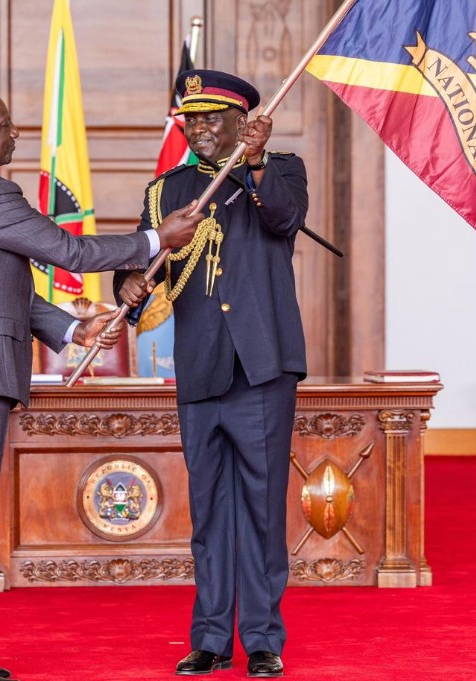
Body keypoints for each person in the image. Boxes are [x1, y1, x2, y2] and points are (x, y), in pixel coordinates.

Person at [0, 87, 202, 681]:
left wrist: (70, 327)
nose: (15, 135)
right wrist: (154, 241)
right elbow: (68, 249)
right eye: (4, 126)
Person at [114, 70, 308, 678]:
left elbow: (282, 218)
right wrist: (131, 287)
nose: (196, 129)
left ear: (243, 121)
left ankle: (262, 639)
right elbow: (151, 279)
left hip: (262, 367)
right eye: (189, 120)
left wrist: (253, 162)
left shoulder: (279, 171)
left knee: (260, 509)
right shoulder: (165, 191)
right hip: (199, 369)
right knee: (210, 510)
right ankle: (210, 637)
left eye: (209, 119)